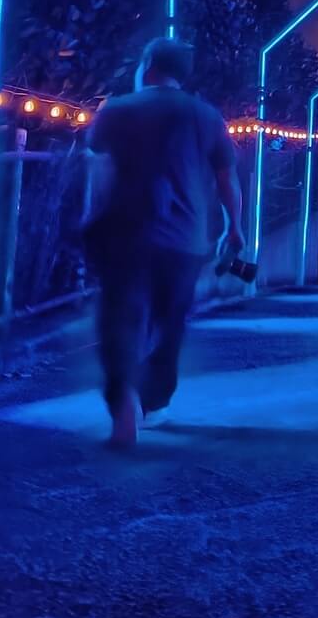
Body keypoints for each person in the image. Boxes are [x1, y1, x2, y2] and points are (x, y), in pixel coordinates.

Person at [85, 37, 243, 448]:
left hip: (124, 231)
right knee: (168, 324)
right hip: (184, 241)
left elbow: (94, 146)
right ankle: (154, 402)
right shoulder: (207, 117)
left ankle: (123, 406)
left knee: (119, 319)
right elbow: (227, 179)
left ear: (147, 63)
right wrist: (234, 227)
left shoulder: (119, 109)